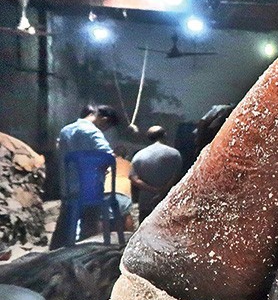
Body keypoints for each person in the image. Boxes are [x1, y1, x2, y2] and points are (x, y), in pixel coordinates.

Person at [50, 105, 120, 248]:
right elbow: (108, 156)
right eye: (106, 127)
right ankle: (86, 256)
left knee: (64, 228)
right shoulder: (93, 132)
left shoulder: (66, 130)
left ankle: (54, 257)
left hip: (68, 188)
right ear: (104, 119)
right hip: (90, 190)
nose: (104, 130)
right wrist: (100, 169)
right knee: (89, 228)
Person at [129, 126, 183, 223]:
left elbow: (133, 178)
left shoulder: (139, 155)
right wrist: (162, 191)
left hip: (146, 203)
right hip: (167, 202)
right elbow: (176, 175)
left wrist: (154, 190)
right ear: (165, 135)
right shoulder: (174, 154)